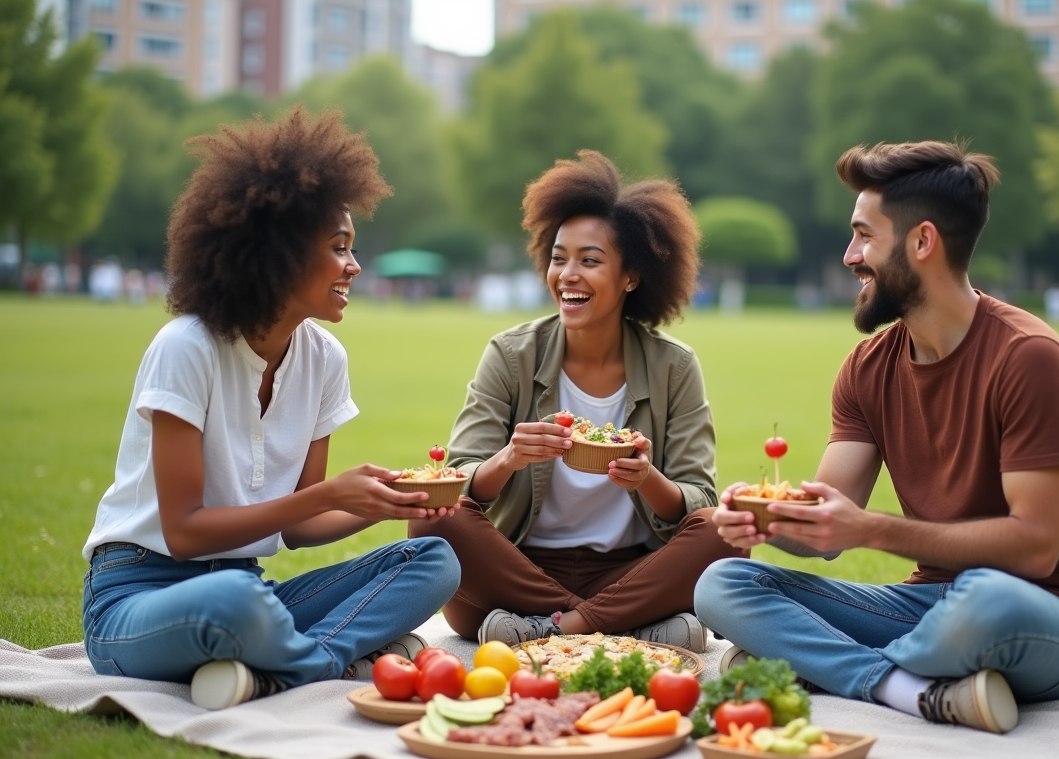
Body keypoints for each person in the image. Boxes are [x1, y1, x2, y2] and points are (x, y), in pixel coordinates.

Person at [696, 141, 1059, 734]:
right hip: (931, 609)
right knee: (723, 584)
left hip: (1049, 617)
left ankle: (818, 663)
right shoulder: (868, 367)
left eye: (863, 236)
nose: (850, 256)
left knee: (986, 598)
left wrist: (871, 529)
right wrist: (769, 519)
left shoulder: (1029, 359)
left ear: (923, 242)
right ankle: (897, 685)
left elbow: (1035, 546)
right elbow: (826, 528)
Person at [81, 107, 461, 710]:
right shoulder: (187, 348)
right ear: (280, 252)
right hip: (137, 599)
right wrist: (329, 494)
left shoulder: (324, 358)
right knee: (237, 602)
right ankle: (332, 659)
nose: (355, 266)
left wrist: (385, 505)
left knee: (434, 560)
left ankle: (288, 667)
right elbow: (184, 533)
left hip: (248, 589)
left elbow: (298, 529)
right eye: (339, 248)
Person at [409, 151, 741, 651]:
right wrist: (509, 458)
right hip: (518, 567)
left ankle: (554, 629)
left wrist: (647, 478)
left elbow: (700, 500)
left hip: (631, 570)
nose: (567, 274)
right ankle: (623, 627)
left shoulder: (674, 366)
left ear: (630, 276)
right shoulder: (510, 354)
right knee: (435, 516)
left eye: (589, 260)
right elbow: (459, 480)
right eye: (558, 257)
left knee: (725, 530)